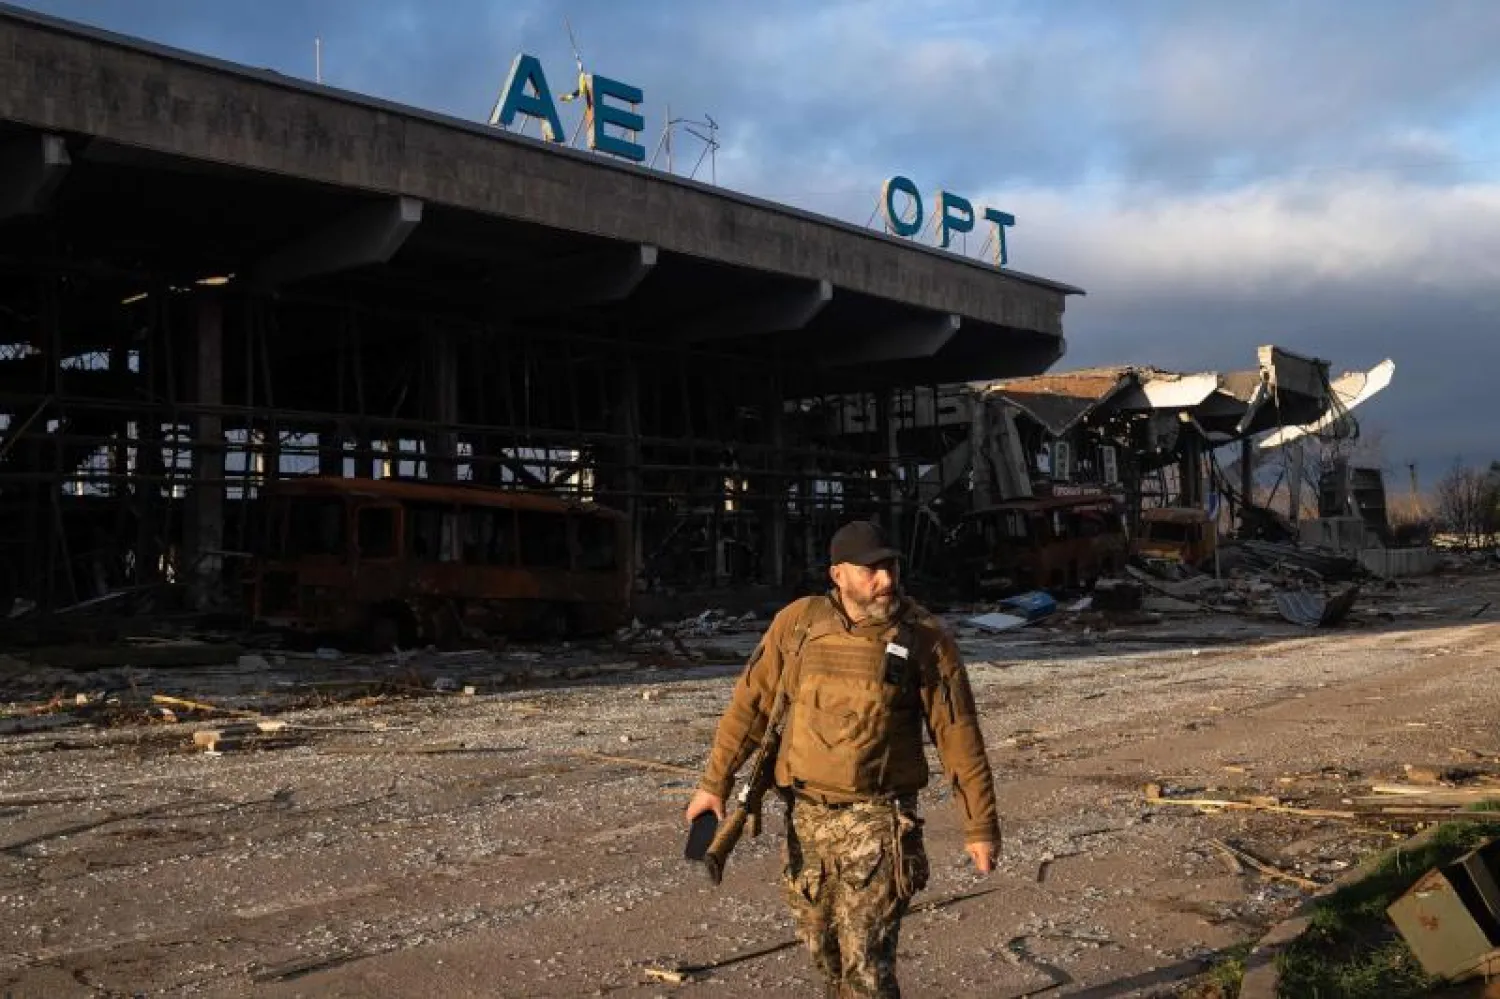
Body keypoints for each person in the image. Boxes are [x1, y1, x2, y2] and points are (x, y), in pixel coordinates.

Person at [685, 519, 1001, 998]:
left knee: (867, 971)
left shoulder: (925, 639)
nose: (887, 580)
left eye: (891, 566)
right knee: (824, 954)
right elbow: (750, 705)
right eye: (871, 570)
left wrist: (979, 827)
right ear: (838, 575)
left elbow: (959, 738)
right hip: (806, 818)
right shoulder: (799, 624)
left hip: (880, 821)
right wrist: (715, 784)